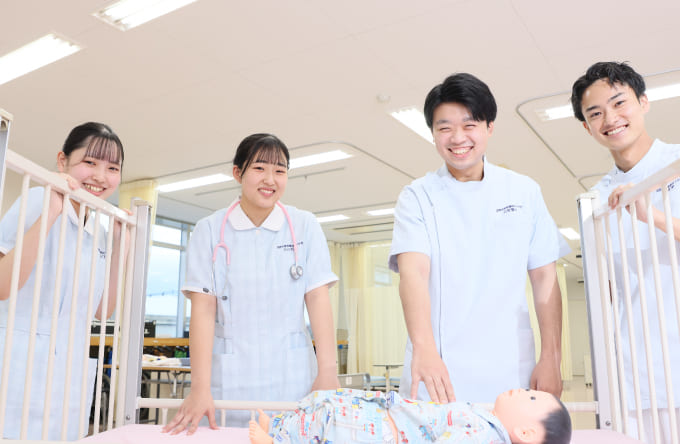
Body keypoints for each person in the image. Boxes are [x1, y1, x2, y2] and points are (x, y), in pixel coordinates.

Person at [389, 73, 569, 405]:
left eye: (469, 125)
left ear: (489, 127)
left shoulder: (523, 191)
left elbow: (545, 278)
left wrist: (551, 357)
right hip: (439, 366)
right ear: (433, 133)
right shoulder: (417, 196)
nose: (458, 138)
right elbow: (413, 274)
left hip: (510, 365)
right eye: (444, 128)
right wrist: (424, 349)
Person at [163, 133, 339, 434]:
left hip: (293, 375)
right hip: (230, 378)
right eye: (259, 168)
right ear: (237, 172)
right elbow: (203, 311)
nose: (270, 179)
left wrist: (328, 372)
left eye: (280, 171)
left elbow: (318, 299)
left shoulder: (304, 225)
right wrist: (199, 387)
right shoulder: (209, 230)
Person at [571, 61, 680, 442]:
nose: (610, 119)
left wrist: (653, 216)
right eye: (595, 113)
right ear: (587, 127)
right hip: (635, 376)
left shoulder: (676, 164)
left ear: (643, 102)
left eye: (619, 103)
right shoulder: (597, 201)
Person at [0, 122, 127, 440]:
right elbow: (3, 286)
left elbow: (102, 311)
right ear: (62, 161)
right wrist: (52, 211)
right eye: (90, 162)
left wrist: (119, 249)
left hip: (68, 374)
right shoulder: (37, 199)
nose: (101, 176)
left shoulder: (98, 229)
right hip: (16, 365)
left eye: (112, 168)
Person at [248, 387, 572, 444]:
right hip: (385, 418)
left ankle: (275, 441)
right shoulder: (484, 420)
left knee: (328, 426)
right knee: (328, 406)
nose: (522, 390)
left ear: (526, 433)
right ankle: (277, 426)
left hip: (379, 432)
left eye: (531, 398)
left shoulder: (482, 433)